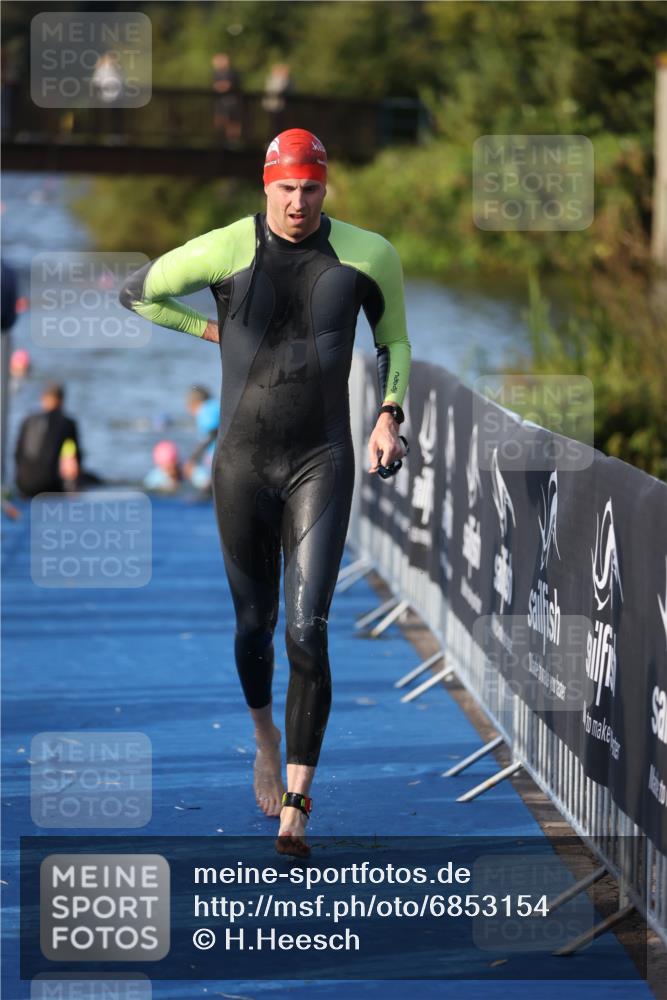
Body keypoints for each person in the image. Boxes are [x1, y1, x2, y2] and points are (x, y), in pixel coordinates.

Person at [120, 128, 411, 856]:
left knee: (307, 631)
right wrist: (208, 330)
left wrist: (388, 414)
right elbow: (137, 293)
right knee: (255, 625)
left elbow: (394, 342)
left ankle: (297, 805)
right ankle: (264, 738)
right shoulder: (227, 247)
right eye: (286, 189)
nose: (298, 203)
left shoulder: (368, 254)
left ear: (325, 187)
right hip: (242, 465)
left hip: (322, 459)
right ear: (266, 186)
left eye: (310, 189)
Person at [13, 382, 83, 497]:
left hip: (23, 485)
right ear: (62, 401)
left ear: (43, 399)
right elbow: (75, 459)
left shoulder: (27, 420)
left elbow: (17, 455)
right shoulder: (67, 423)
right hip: (49, 486)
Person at [184, 386, 218, 492]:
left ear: (194, 403)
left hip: (217, 454)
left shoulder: (206, 410)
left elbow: (211, 434)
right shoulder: (216, 405)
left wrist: (193, 458)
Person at [211, 52, 241, 143]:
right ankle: (220, 141)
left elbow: (227, 86)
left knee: (233, 123)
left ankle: (232, 142)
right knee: (220, 122)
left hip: (232, 103)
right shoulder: (216, 73)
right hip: (220, 103)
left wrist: (221, 86)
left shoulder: (232, 73)